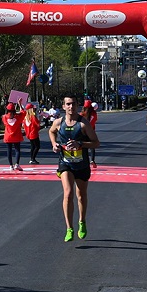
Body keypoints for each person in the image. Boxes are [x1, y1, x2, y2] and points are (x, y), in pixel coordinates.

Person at [49, 96, 100, 242]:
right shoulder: (59, 122)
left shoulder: (83, 124)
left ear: (77, 106)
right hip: (66, 163)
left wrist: (81, 144)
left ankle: (82, 221)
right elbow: (51, 132)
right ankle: (69, 228)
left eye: (73, 104)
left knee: (81, 195)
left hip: (82, 164)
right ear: (63, 106)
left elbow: (96, 143)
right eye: (68, 104)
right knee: (68, 193)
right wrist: (54, 144)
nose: (71, 107)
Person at [2, 103, 25, 172]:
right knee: (17, 150)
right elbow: (23, 113)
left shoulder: (4, 117)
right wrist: (20, 104)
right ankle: (17, 164)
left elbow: (5, 116)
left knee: (9, 150)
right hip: (16, 136)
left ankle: (11, 165)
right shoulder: (18, 117)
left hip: (8, 136)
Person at [82, 100, 99, 168]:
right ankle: (92, 160)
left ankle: (84, 161)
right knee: (92, 146)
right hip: (91, 131)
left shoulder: (82, 114)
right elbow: (95, 121)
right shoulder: (94, 114)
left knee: (83, 147)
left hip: (83, 132)